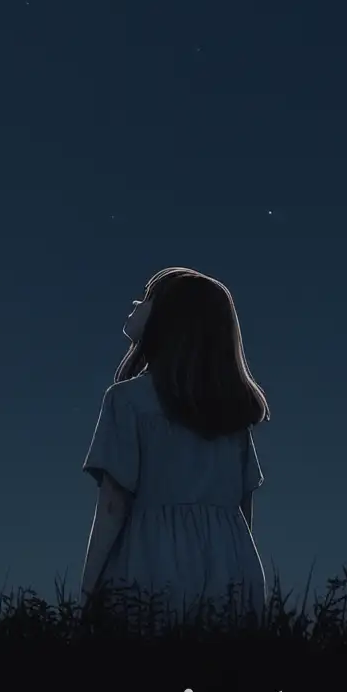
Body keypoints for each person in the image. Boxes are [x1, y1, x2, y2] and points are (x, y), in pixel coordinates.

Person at [80, 266, 269, 628]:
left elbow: (112, 508)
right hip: (232, 567)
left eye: (149, 297)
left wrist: (87, 594)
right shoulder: (231, 412)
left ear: (171, 319)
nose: (136, 303)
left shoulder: (127, 401)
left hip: (151, 562)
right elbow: (244, 511)